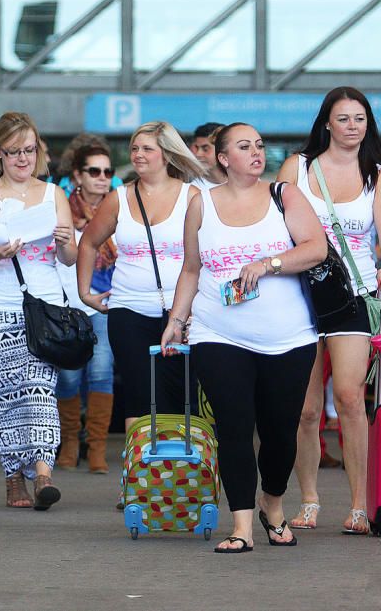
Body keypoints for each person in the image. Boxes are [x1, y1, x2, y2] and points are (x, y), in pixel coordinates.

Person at [161, 122, 326, 553]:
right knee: (233, 428)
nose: (256, 152)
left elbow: (316, 247)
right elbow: (192, 269)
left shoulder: (283, 195)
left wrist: (270, 263)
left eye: (259, 145)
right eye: (243, 146)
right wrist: (177, 320)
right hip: (218, 332)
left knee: (279, 431)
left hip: (288, 337)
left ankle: (272, 502)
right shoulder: (202, 205)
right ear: (222, 158)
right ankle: (241, 527)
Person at [276, 86, 381, 535]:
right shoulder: (298, 167)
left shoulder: (377, 175)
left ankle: (359, 504)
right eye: (344, 118)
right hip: (300, 295)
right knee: (305, 409)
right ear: (326, 122)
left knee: (350, 397)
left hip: (354, 293)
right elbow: (276, 226)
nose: (352, 126)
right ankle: (308, 500)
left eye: (360, 119)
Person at [0, 111, 77, 510]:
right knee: (3, 400)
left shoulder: (53, 194)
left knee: (40, 391)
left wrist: (64, 241)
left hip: (44, 310)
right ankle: (13, 479)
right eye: (14, 152)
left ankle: (43, 473)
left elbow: (70, 257)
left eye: (30, 150)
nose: (23, 159)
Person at [78, 122, 203, 433]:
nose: (138, 154)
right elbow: (89, 243)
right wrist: (85, 293)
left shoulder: (193, 196)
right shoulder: (119, 197)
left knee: (179, 398)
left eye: (147, 148)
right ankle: (142, 477)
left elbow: (206, 257)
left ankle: (178, 475)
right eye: (134, 148)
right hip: (127, 310)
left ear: (167, 154)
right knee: (138, 395)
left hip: (183, 313)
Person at [54, 143, 117, 474]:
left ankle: (96, 449)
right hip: (65, 302)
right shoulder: (61, 208)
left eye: (108, 172)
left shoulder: (118, 208)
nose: (103, 178)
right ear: (77, 175)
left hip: (105, 302)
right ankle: (70, 443)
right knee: (67, 376)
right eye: (94, 171)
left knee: (102, 372)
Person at [189, 122, 226, 191]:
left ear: (223, 150)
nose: (198, 154)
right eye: (197, 148)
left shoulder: (245, 183)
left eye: (205, 149)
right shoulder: (192, 190)